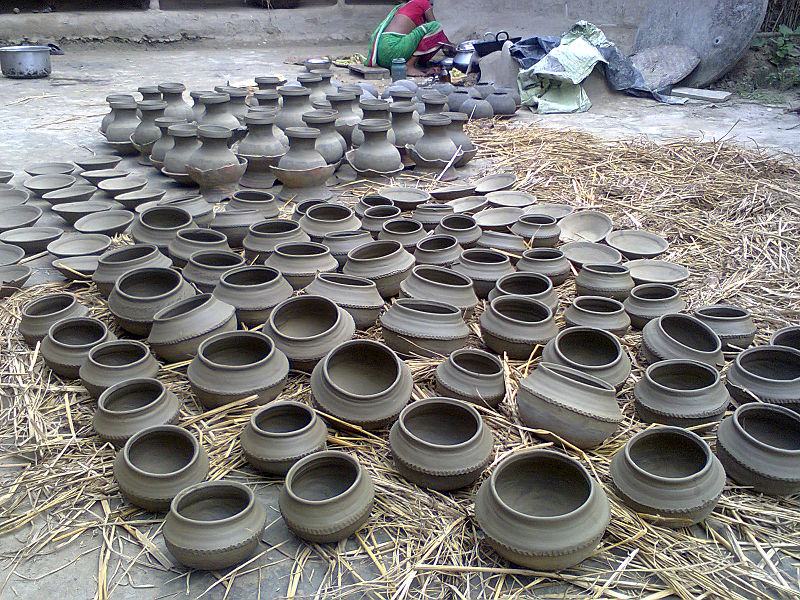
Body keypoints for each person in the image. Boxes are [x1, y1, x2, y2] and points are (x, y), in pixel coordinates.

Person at [365, 0, 452, 77]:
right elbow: (436, 29)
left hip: (381, 57)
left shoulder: (405, 6)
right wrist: (449, 45)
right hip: (394, 50)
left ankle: (416, 64)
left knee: (423, 33)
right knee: (435, 26)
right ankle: (409, 66)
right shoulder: (423, 2)